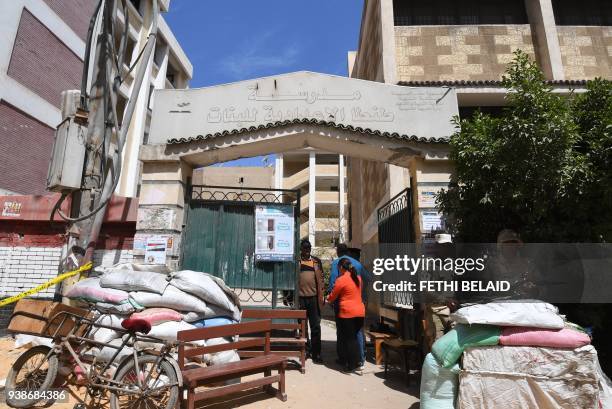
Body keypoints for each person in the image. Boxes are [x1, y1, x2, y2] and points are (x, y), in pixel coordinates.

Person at [329, 243, 371, 367]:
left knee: (343, 332)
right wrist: (360, 293)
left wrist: (331, 300)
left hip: (343, 305)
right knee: (358, 332)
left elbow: (333, 283)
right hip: (359, 304)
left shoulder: (337, 263)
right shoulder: (357, 264)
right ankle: (361, 358)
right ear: (347, 251)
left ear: (338, 252)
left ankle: (344, 358)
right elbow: (368, 278)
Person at [298, 239, 324, 363]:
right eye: (305, 248)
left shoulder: (316, 262)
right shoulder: (297, 262)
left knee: (315, 327)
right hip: (300, 299)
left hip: (313, 299)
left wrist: (322, 297)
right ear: (301, 249)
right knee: (302, 328)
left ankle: (316, 353)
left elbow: (321, 280)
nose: (307, 250)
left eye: (309, 248)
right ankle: (306, 351)